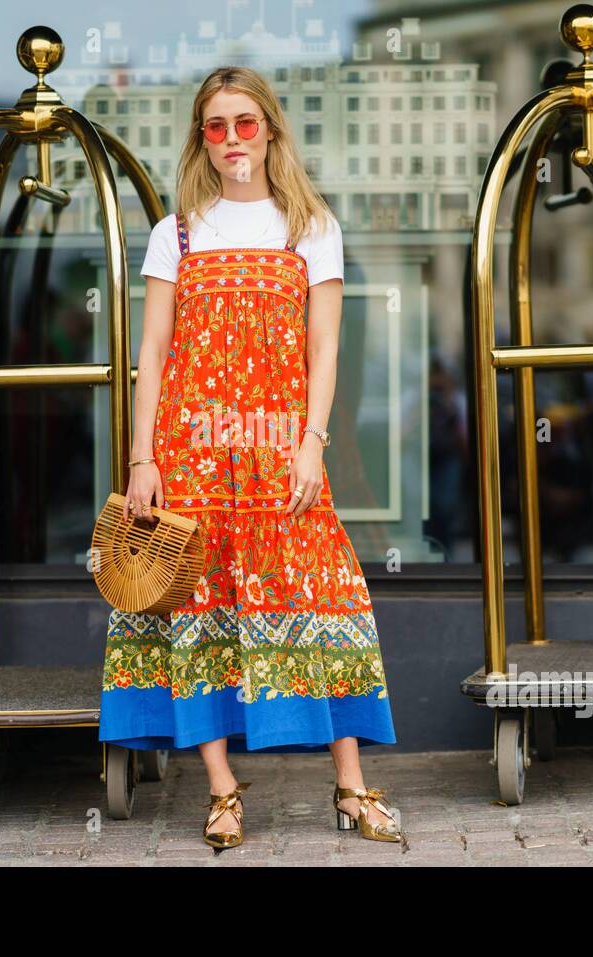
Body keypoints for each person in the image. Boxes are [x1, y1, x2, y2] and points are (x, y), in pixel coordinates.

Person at [98, 65, 405, 851]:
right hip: (192, 455)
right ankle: (223, 790)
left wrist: (311, 442)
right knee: (196, 611)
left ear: (270, 128)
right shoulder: (180, 231)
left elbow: (325, 348)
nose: (232, 139)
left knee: (322, 596)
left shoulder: (311, 227)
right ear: (201, 138)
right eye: (215, 125)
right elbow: (155, 353)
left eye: (244, 122)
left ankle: (351, 782)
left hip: (280, 456)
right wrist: (142, 458)